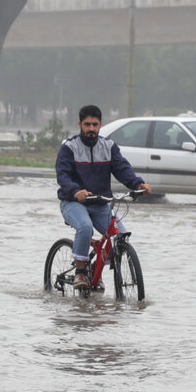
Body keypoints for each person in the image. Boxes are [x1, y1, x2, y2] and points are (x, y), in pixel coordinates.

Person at [56, 105, 152, 289]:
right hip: (73, 202)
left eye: (95, 124)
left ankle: (96, 270)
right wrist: (77, 191)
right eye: (87, 124)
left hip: (101, 203)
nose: (91, 129)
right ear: (80, 125)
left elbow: (123, 169)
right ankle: (81, 272)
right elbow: (63, 176)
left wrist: (138, 185)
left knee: (121, 237)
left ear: (100, 125)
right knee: (85, 228)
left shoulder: (108, 147)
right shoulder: (70, 148)